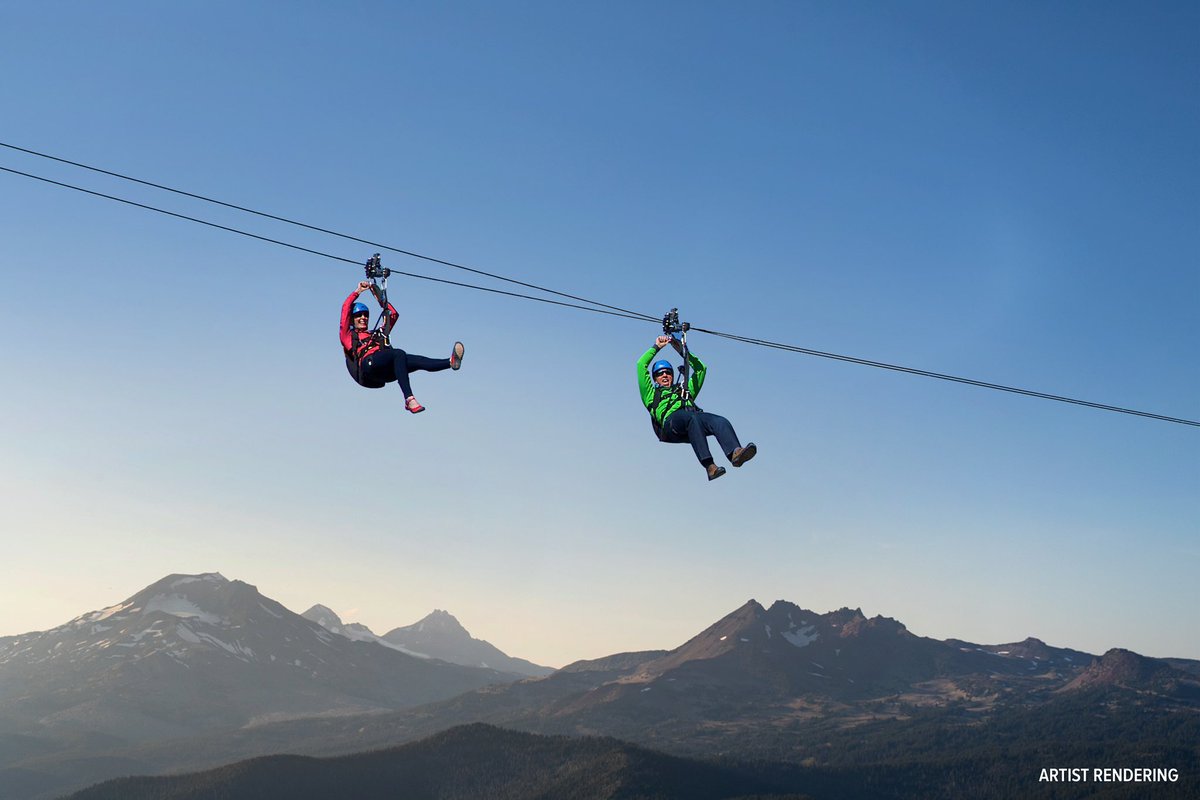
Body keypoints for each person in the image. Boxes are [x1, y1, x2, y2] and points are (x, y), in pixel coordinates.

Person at [637, 334, 756, 480]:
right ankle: (710, 466)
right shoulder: (651, 394)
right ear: (655, 378)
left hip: (692, 422)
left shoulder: (683, 390)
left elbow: (701, 369)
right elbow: (640, 365)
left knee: (719, 421)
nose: (665, 375)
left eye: (668, 372)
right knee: (692, 418)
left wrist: (681, 350)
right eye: (660, 374)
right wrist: (656, 347)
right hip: (671, 424)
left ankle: (735, 453)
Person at [340, 280, 464, 413]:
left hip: (385, 372)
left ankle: (450, 362)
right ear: (352, 319)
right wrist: (357, 292)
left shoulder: (376, 334)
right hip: (368, 366)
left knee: (414, 360)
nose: (363, 318)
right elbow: (345, 309)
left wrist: (378, 295)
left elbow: (392, 314)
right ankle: (409, 399)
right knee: (398, 354)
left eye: (365, 315)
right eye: (359, 315)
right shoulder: (348, 336)